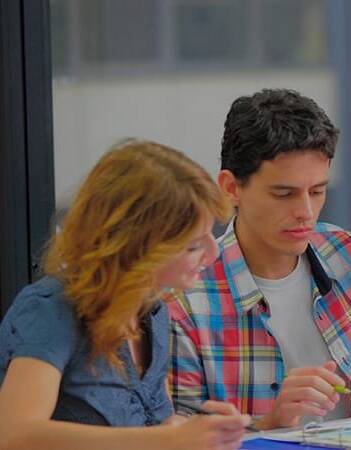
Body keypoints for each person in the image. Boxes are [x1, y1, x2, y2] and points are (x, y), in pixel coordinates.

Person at [165, 89, 351, 431]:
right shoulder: (185, 299)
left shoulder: (345, 254)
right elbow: (179, 442)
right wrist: (273, 422)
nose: (305, 212)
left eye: (317, 191)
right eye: (284, 194)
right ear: (230, 188)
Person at [0, 141, 247, 450]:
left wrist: (201, 432)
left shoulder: (154, 312)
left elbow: (156, 431)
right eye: (194, 245)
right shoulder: (50, 311)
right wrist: (164, 439)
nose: (213, 253)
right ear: (138, 248)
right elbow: (16, 436)